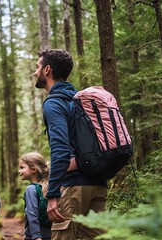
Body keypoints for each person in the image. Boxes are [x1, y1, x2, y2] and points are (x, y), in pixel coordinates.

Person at [34, 49, 108, 239]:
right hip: (98, 183)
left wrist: (52, 194)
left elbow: (60, 150)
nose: (34, 72)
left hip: (74, 187)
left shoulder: (54, 103)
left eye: (37, 67)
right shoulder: (79, 100)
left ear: (47, 70)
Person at [19, 152, 51, 240]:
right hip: (51, 234)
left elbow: (32, 214)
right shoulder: (49, 187)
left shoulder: (31, 189)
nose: (19, 171)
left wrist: (36, 236)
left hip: (34, 236)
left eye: (22, 167)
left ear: (33, 169)